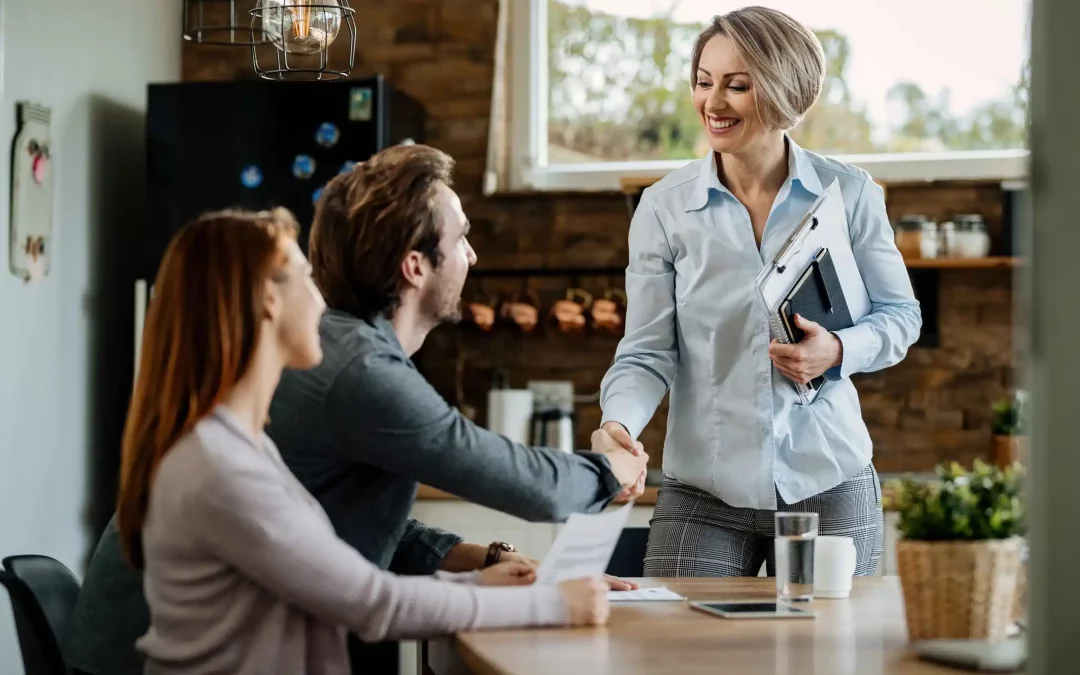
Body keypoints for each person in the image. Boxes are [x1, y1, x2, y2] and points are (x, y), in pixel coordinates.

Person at [64, 147, 648, 675]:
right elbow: (508, 481)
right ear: (415, 266)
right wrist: (608, 472)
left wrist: (484, 561)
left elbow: (316, 533)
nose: (473, 253)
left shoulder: (327, 374)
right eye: (461, 236)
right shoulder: (355, 370)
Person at [597, 6, 922, 578]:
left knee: (829, 663)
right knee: (679, 658)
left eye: (737, 86)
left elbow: (901, 316)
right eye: (703, 82)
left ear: (782, 90)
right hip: (705, 489)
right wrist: (619, 422)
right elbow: (647, 351)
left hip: (829, 478)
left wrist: (838, 350)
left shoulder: (849, 194)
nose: (713, 103)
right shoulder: (664, 209)